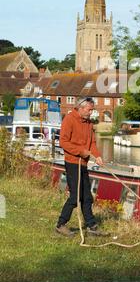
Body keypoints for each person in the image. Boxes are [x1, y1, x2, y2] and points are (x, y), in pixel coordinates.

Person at [56, 97, 106, 237]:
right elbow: (63, 142)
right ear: (80, 107)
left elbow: (92, 144)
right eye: (89, 110)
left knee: (87, 197)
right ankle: (61, 224)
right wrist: (81, 151)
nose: (91, 113)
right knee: (76, 196)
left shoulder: (89, 123)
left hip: (83, 163)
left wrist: (98, 156)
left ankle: (91, 226)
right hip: (72, 162)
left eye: (92, 110)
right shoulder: (69, 119)